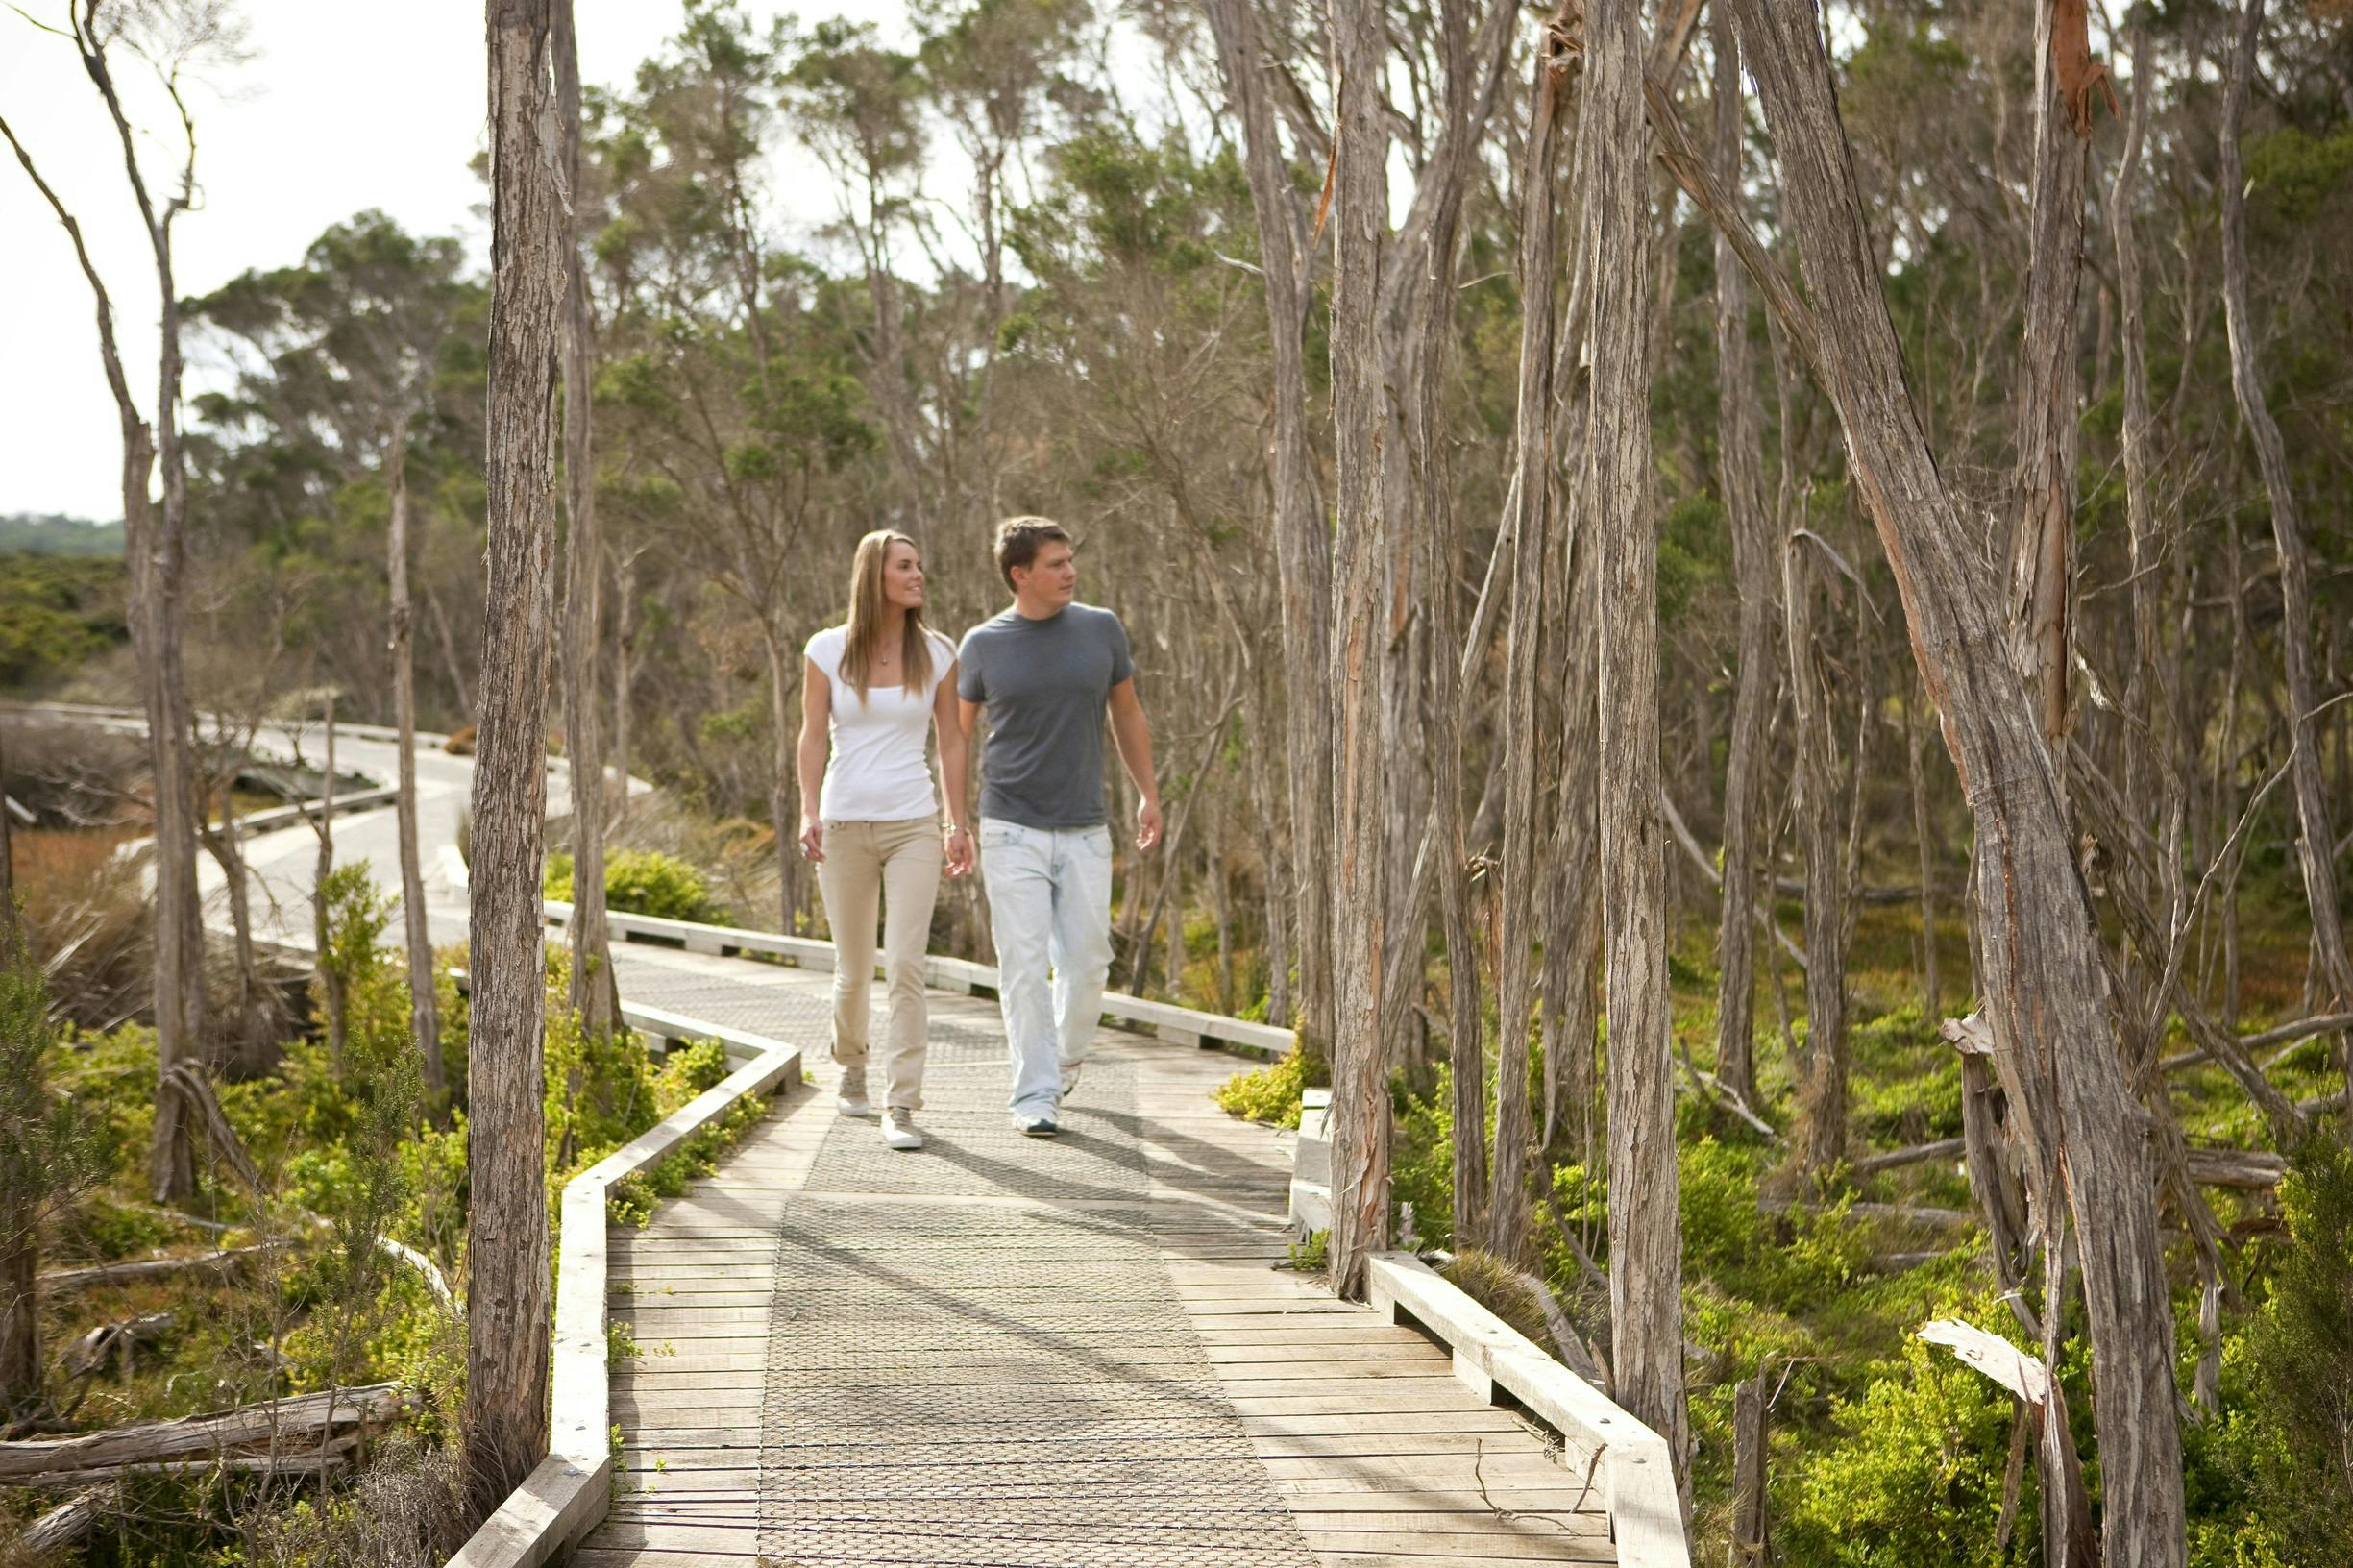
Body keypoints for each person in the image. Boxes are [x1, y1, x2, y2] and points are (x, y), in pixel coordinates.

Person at [959, 518, 1161, 1138]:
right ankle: (1035, 1094)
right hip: (1008, 824)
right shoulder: (983, 645)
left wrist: (1147, 794)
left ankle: (1067, 1058)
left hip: (1083, 826)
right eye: (1055, 563)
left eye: (1071, 560)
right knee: (1021, 963)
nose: (1070, 571)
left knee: (1087, 962)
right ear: (1020, 574)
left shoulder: (1100, 629)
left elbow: (1126, 713)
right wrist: (953, 816)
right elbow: (955, 737)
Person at [797, 530, 974, 1152]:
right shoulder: (825, 650)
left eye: (919, 565)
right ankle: (852, 1064)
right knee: (852, 971)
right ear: (875, 576)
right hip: (843, 823)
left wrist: (956, 823)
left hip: (913, 825)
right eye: (905, 566)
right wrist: (806, 810)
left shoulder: (938, 651)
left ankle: (901, 1104)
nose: (918, 574)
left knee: (904, 964)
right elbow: (812, 736)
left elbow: (952, 741)